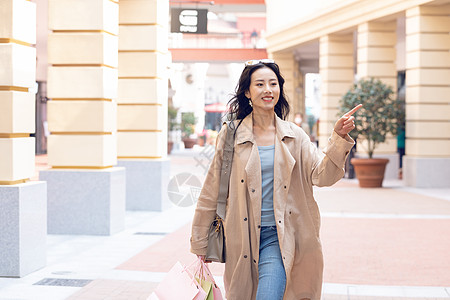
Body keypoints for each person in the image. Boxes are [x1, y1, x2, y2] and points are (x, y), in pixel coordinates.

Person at [190, 59, 361, 300]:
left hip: (281, 237)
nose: (268, 89)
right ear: (248, 92)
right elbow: (211, 189)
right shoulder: (231, 134)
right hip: (242, 237)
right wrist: (200, 243)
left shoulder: (295, 136)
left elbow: (322, 176)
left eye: (273, 84)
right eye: (260, 84)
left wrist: (339, 138)